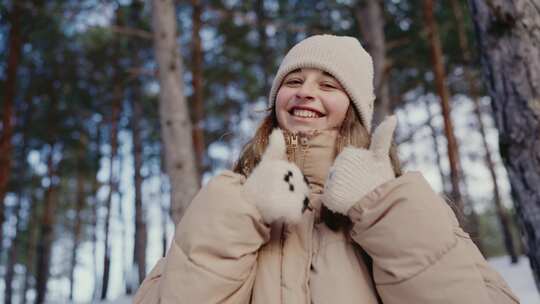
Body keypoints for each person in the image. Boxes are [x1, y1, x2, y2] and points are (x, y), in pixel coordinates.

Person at [134, 35, 519, 304]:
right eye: (295, 81)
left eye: (329, 86)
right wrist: (239, 213)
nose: (306, 92)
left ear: (354, 109)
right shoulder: (233, 203)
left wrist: (385, 209)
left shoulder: (397, 203)